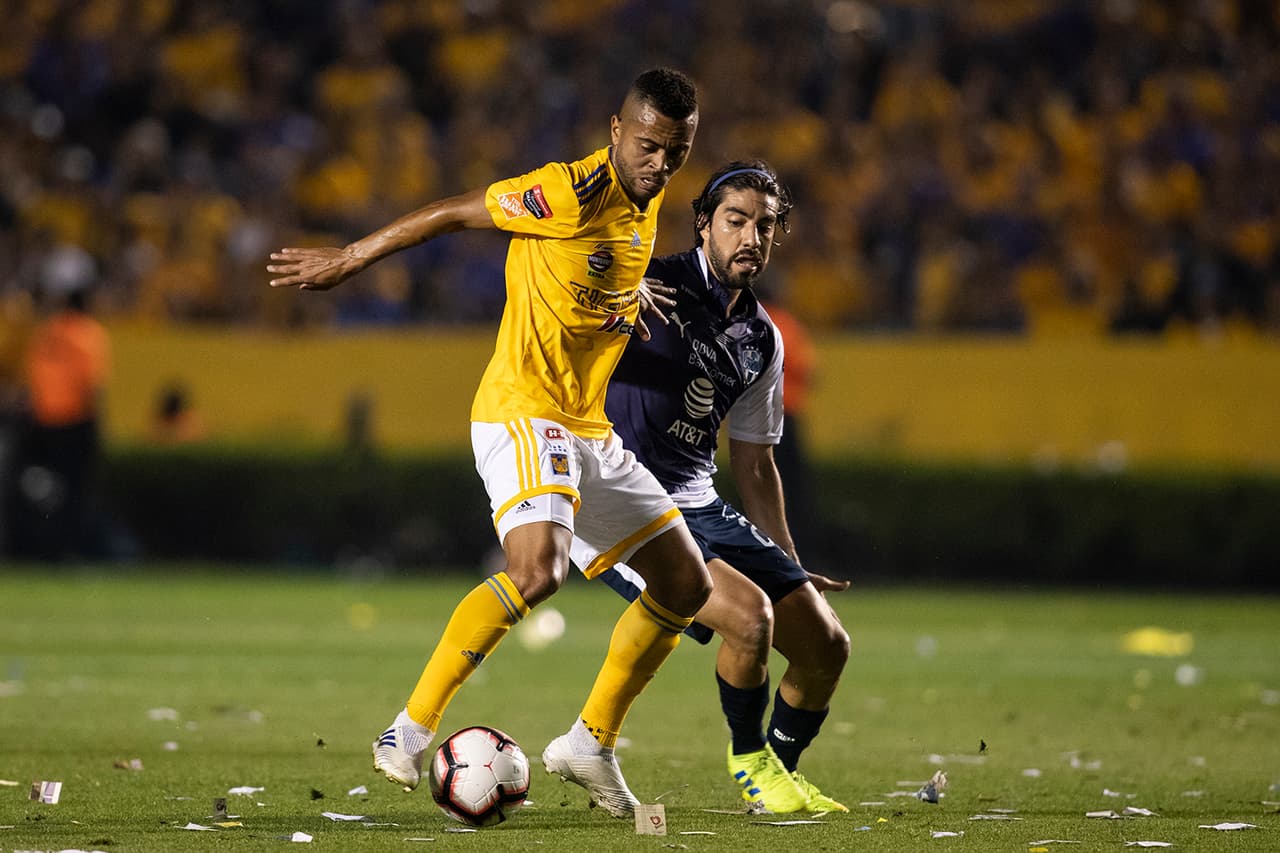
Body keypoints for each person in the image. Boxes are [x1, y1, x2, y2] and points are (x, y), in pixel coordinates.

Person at [266, 68, 710, 818]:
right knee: (536, 570)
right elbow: (451, 212)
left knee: (686, 586)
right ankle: (406, 730)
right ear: (615, 130)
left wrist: (625, 295)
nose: (659, 164)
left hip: (586, 426)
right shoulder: (567, 191)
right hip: (523, 410)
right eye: (647, 146)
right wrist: (349, 257)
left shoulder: (652, 196)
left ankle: (589, 743)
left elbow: (589, 265)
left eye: (675, 151)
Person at [570, 160, 851, 813]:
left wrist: (792, 564)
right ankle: (749, 759)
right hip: (622, 498)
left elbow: (754, 464)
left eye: (766, 224)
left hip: (699, 500)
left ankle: (773, 772)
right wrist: (606, 296)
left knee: (825, 644)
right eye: (735, 220)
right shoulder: (650, 282)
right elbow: (568, 298)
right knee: (749, 619)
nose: (751, 235)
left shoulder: (762, 338)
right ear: (703, 223)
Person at [18, 284, 111, 559]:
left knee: (44, 490)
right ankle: (72, 550)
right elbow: (92, 385)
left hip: (43, 423)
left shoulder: (46, 332)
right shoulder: (88, 333)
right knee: (78, 492)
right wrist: (100, 426)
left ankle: (40, 547)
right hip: (76, 422)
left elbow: (31, 380)